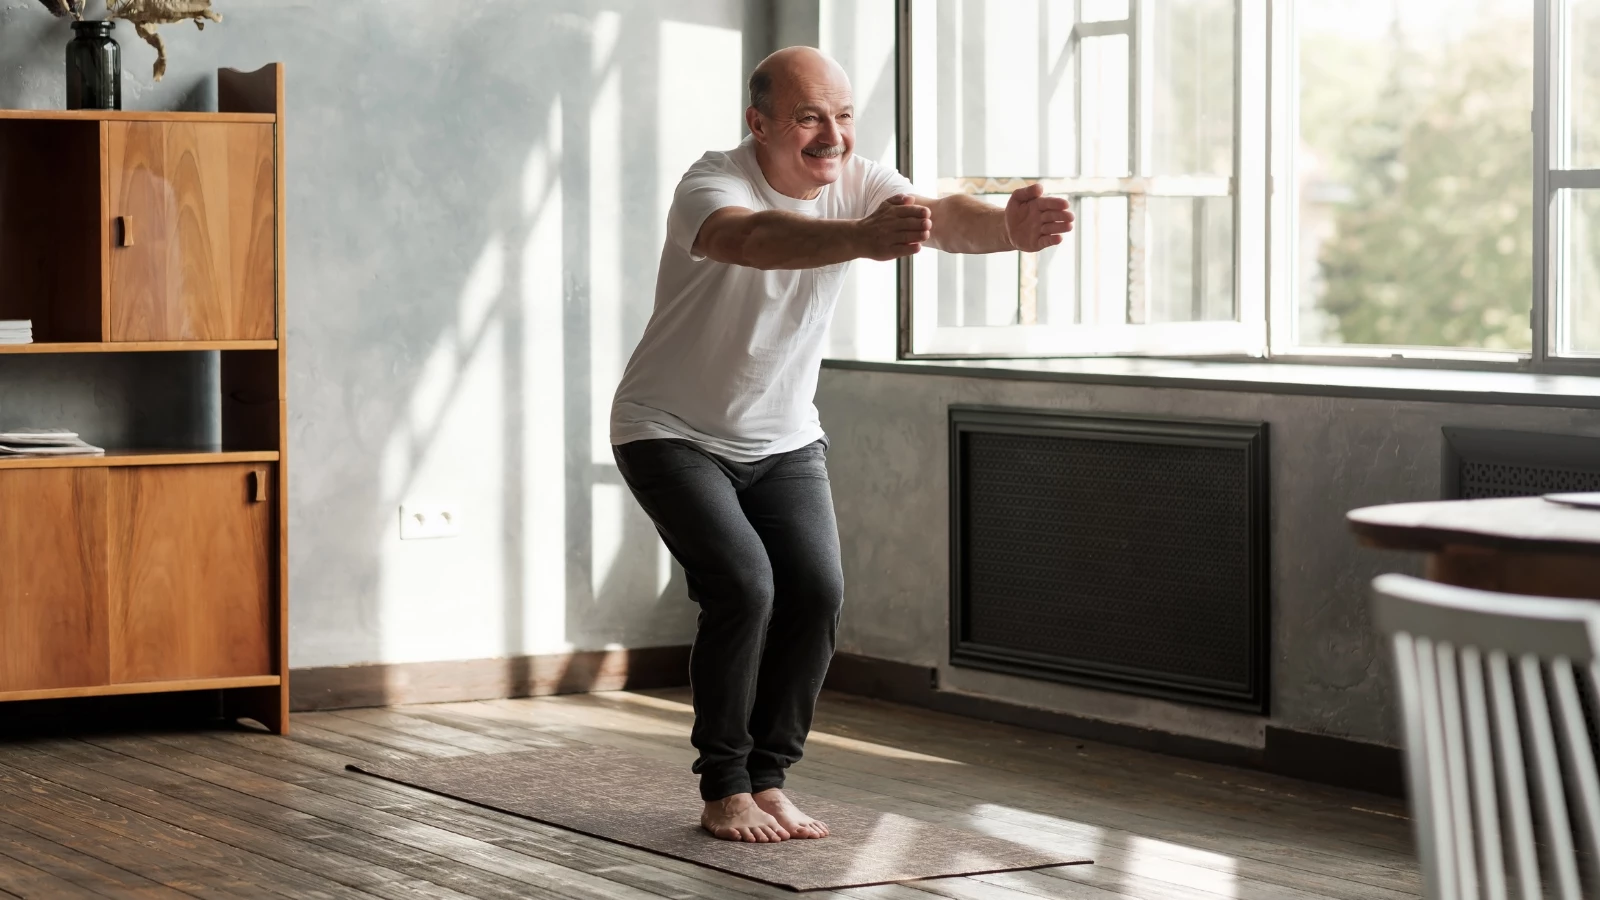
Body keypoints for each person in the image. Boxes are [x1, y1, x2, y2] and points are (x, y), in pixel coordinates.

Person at [609, 46, 1074, 844]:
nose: (833, 136)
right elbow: (752, 239)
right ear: (758, 124)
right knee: (744, 587)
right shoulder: (710, 184)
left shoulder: (860, 181)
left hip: (784, 437)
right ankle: (724, 787)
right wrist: (860, 238)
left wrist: (1005, 227)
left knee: (816, 594)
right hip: (668, 429)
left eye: (845, 116)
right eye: (808, 118)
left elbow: (939, 217)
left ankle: (769, 777)